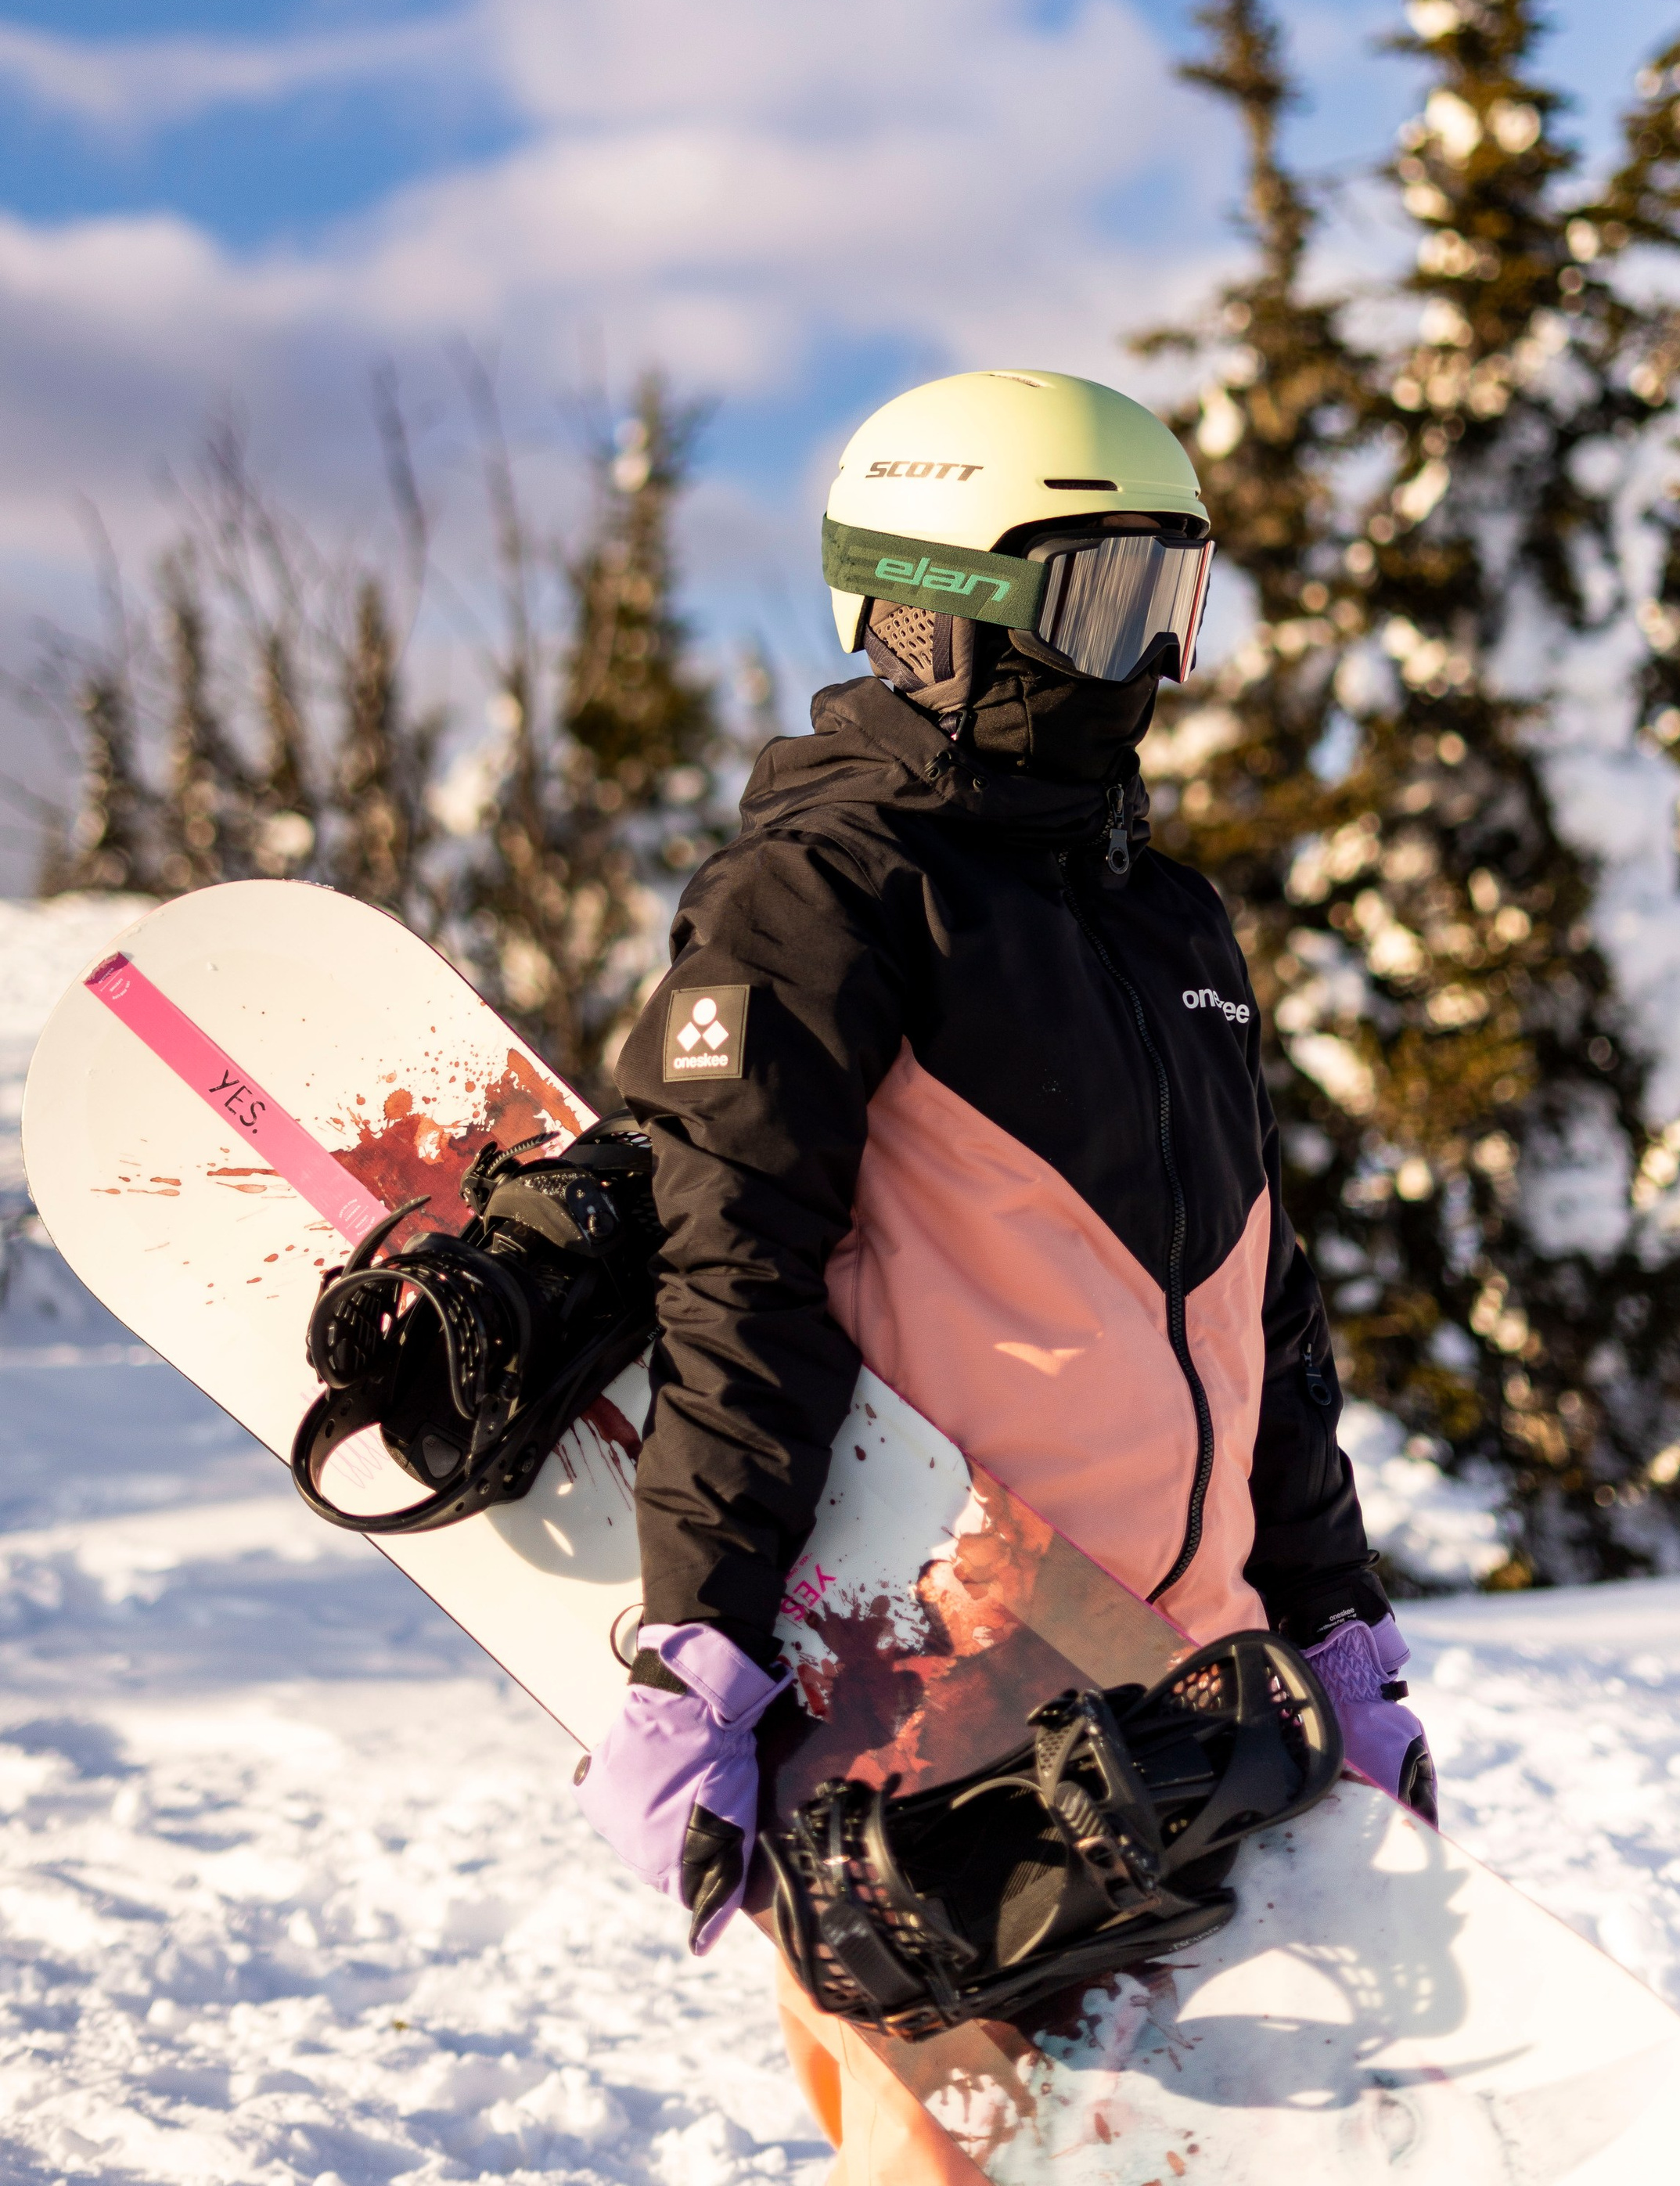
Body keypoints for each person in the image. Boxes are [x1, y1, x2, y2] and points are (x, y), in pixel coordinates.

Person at [575, 366, 1431, 2177]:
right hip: (936, 1703)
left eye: (1166, 600)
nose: (1144, 660)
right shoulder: (821, 894)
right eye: (1097, 596)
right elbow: (735, 1277)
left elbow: (1251, 1310)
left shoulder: (1163, 919)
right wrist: (699, 1645)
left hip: (1189, 1696)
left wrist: (1333, 1617)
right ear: (930, 610)